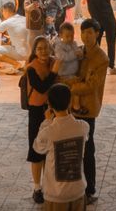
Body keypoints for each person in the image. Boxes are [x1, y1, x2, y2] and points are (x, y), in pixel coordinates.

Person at [66, 19, 110, 205]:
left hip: (88, 109)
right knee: (71, 149)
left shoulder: (101, 58)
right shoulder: (78, 52)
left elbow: (91, 86)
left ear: (97, 34)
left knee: (87, 149)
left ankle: (89, 189)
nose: (86, 36)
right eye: (83, 32)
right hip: (70, 108)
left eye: (90, 32)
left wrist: (69, 86)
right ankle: (73, 188)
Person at [33, 82, 92, 211]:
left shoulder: (48, 131)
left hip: (55, 194)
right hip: (78, 190)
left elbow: (38, 147)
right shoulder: (83, 126)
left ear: (50, 105)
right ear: (70, 102)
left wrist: (47, 121)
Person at [19, 36, 59, 203]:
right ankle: (37, 187)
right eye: (40, 48)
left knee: (51, 150)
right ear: (35, 51)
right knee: (36, 150)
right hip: (37, 112)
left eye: (46, 47)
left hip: (52, 111)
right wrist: (55, 71)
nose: (43, 51)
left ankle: (50, 185)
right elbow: (42, 88)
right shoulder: (31, 68)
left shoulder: (53, 61)